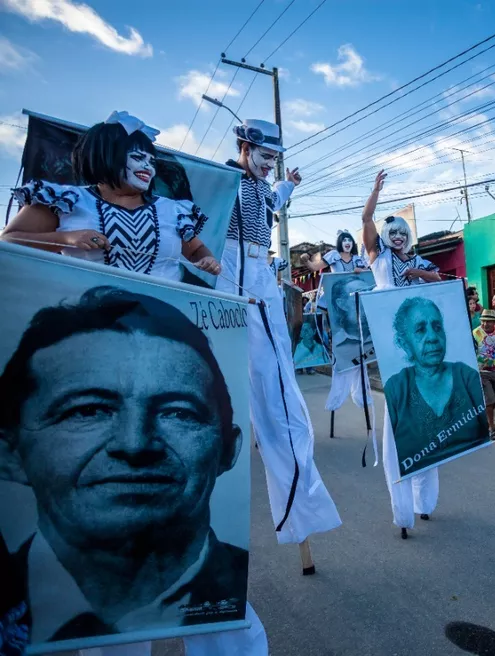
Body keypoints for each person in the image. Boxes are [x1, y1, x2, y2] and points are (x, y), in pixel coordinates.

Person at [0, 287, 246, 645]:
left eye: (177, 412)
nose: (135, 444)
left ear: (227, 449)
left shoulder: (236, 594)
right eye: (87, 410)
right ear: (10, 453)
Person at [216, 118, 342, 553]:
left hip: (260, 274)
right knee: (253, 374)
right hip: (233, 275)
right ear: (244, 148)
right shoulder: (225, 180)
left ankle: (294, 474)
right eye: (265, 157)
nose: (269, 165)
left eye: (274, 159)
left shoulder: (263, 186)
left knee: (277, 374)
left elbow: (274, 199)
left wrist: (289, 185)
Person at [2, 111, 220, 279]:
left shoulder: (173, 210)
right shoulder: (66, 199)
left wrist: (207, 259)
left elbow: (196, 249)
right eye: (137, 157)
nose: (148, 167)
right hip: (87, 319)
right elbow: (9, 241)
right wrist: (67, 238)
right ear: (105, 155)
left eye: (151, 161)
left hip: (162, 321)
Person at [361, 170, 444, 539]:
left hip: (420, 348)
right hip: (391, 347)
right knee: (397, 423)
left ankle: (424, 502)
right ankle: (402, 509)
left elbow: (440, 281)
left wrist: (415, 271)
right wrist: (376, 192)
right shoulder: (378, 257)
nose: (396, 237)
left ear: (408, 236)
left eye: (401, 233)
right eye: (391, 232)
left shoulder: (420, 262)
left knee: (426, 417)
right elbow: (366, 220)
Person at [384, 297, 488, 474]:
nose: (432, 337)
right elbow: (392, 453)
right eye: (420, 330)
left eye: (437, 327)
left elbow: (486, 430)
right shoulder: (396, 388)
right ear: (404, 343)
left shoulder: (466, 377)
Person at [323, 274, 376, 415]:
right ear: (342, 303)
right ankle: (336, 400)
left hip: (365, 343)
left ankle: (361, 397)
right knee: (341, 370)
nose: (365, 298)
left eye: (368, 292)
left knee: (361, 371)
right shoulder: (340, 340)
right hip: (342, 349)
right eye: (358, 294)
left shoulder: (375, 334)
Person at [473, 308, 495, 440]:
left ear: (494, 322)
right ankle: (491, 428)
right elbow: (471, 354)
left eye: (488, 321)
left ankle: (481, 414)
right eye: (483, 321)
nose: (485, 324)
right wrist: (475, 373)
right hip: (482, 372)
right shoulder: (476, 333)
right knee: (489, 400)